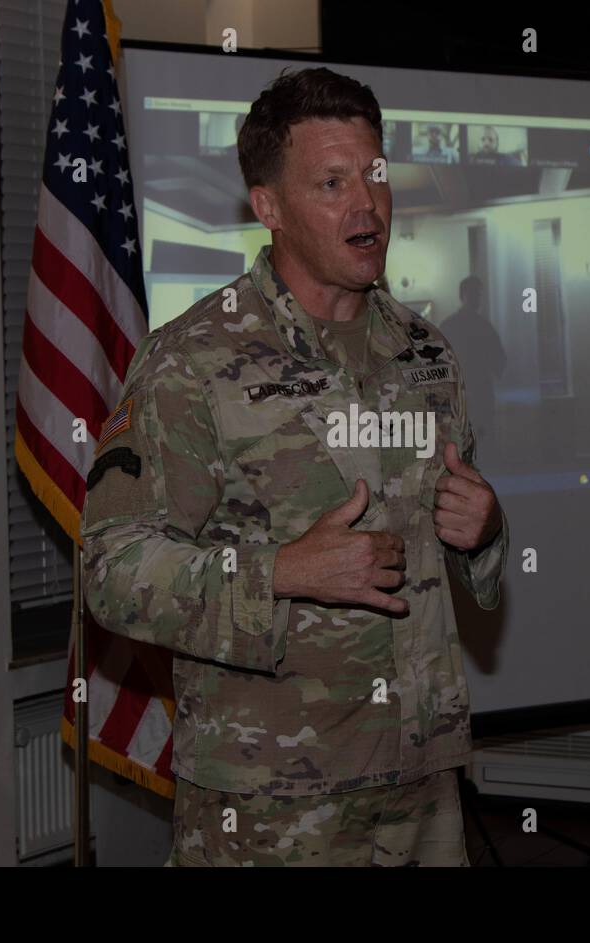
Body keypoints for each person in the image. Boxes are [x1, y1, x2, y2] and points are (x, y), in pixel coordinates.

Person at [80, 66, 509, 867]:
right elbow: (110, 570)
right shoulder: (193, 362)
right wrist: (279, 572)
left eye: (374, 177)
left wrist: (484, 531)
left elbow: (462, 541)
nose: (367, 206)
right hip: (272, 805)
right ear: (269, 206)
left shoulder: (425, 351)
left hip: (422, 785)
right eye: (332, 183)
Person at [440, 276, 507, 463]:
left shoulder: (451, 325)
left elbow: (498, 359)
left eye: (479, 294)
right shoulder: (480, 326)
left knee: (475, 440)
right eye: (474, 294)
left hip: (470, 392)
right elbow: (499, 361)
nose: (477, 298)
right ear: (463, 295)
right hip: (465, 392)